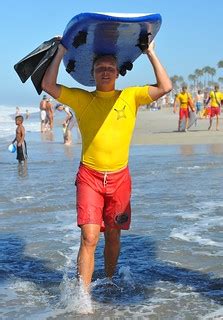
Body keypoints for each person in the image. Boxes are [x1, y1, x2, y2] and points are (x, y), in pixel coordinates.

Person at [41, 39, 172, 291]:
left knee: (113, 235)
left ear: (117, 72)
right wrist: (62, 51)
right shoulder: (81, 98)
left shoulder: (130, 96)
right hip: (89, 176)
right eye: (99, 67)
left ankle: (110, 282)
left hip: (119, 179)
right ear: (91, 73)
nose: (105, 71)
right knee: (89, 237)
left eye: (110, 67)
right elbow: (48, 84)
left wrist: (150, 53)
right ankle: (84, 296)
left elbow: (165, 86)